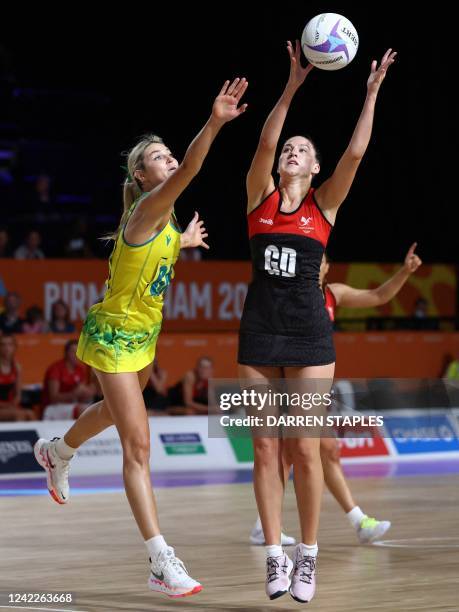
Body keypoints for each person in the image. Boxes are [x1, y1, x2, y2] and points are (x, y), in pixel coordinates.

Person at [34, 77, 248, 599]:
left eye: (171, 153)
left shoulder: (166, 222)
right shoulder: (148, 208)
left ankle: (57, 451)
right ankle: (159, 559)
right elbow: (195, 168)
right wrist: (215, 122)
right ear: (141, 173)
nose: (171, 159)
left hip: (145, 338)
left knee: (110, 414)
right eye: (160, 156)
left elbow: (160, 251)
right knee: (139, 445)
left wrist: (186, 241)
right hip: (112, 336)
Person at [238, 40, 396, 602]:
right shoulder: (258, 198)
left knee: (306, 449)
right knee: (264, 449)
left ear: (314, 166)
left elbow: (355, 153)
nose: (293, 151)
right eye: (291, 148)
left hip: (309, 334)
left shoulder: (322, 208)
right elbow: (264, 139)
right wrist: (293, 85)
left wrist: (371, 93)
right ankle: (275, 558)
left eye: (303, 149)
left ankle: (308, 558)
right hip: (259, 330)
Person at [251, 243, 422, 547]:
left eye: (320, 261)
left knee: (307, 452)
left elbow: (378, 296)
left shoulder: (333, 294)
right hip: (285, 381)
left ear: (327, 268)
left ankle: (264, 525)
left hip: (310, 383)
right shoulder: (287, 294)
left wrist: (404, 272)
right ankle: (357, 521)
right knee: (317, 448)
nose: (315, 264)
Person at [41, 339, 95, 419]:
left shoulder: (80, 369)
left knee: (95, 410)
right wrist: (73, 394)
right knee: (83, 411)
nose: (76, 355)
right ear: (66, 353)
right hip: (54, 407)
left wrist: (88, 393)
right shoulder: (55, 369)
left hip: (72, 405)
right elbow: (53, 397)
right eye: (73, 352)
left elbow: (81, 397)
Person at [0, 333, 34, 421]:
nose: (7, 348)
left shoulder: (17, 367)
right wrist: (8, 406)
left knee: (30, 414)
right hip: (4, 407)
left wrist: (12, 405)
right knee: (18, 415)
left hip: (10, 406)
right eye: (3, 344)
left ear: (14, 347)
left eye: (10, 344)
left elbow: (18, 395)